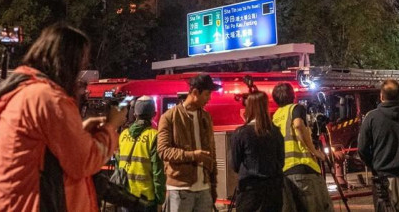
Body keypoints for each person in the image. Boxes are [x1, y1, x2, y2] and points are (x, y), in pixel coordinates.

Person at [0, 23, 125, 212]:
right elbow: (83, 161)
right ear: (68, 63)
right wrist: (111, 126)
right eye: (80, 65)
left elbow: (40, 148)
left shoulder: (17, 92)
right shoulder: (48, 98)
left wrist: (81, 131)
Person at [357, 79, 399, 212]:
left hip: (382, 179)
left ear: (381, 96)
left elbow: (362, 149)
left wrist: (374, 166)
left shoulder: (372, 118)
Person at [157, 73, 220, 212]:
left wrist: (213, 185)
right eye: (207, 94)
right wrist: (193, 155)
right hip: (179, 189)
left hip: (204, 189)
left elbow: (212, 152)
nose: (209, 98)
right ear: (195, 92)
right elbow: (163, 151)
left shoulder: (206, 117)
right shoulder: (169, 117)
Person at [271, 82, 332, 212]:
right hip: (303, 168)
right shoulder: (296, 109)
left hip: (284, 173)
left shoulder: (275, 117)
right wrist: (314, 151)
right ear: (292, 95)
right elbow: (298, 125)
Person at [230, 90, 285, 212]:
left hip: (249, 190)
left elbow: (235, 165)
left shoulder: (241, 133)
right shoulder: (275, 132)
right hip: (273, 190)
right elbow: (281, 161)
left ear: (248, 107)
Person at [116, 96, 165, 209]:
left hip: (126, 196)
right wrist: (160, 198)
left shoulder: (123, 135)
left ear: (134, 114)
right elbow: (158, 171)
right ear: (154, 114)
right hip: (146, 199)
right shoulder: (154, 136)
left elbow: (118, 164)